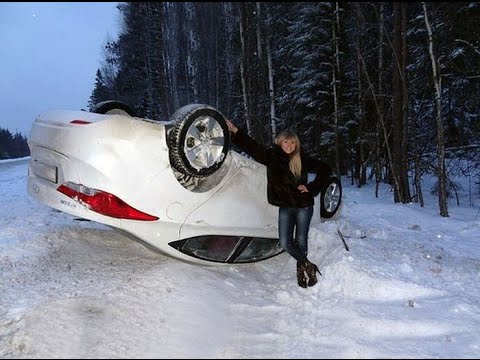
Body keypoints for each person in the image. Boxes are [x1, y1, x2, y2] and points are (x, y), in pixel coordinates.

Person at [226, 119, 333, 288]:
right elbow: (252, 147)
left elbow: (325, 169)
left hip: (303, 206)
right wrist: (235, 131)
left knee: (301, 241)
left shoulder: (301, 158)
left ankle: (301, 272)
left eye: (292, 142)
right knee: (285, 242)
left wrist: (312, 188)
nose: (289, 145)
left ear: (296, 144)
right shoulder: (271, 157)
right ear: (279, 142)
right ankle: (308, 265)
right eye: (286, 142)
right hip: (285, 206)